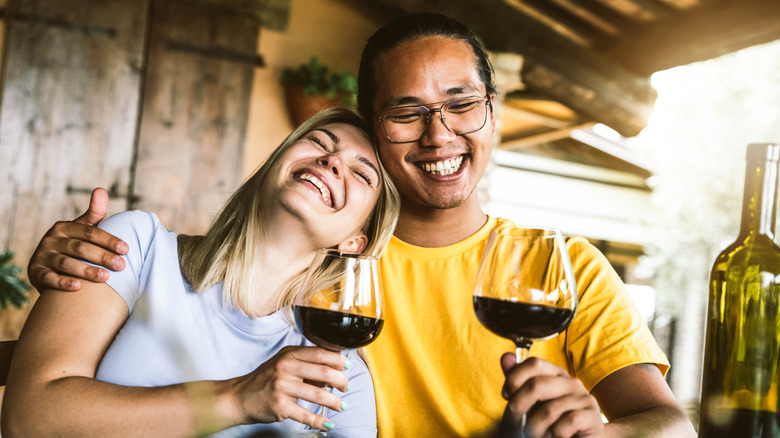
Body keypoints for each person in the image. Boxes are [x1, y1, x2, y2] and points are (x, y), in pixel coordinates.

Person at [24, 13, 697, 438]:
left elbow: (670, 425)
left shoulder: (562, 266)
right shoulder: (326, 278)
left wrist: (602, 435)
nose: (439, 134)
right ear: (378, 127)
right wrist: (73, 259)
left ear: (492, 112)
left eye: (461, 104)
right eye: (406, 112)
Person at [3, 108, 400, 438]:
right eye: (319, 142)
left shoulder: (339, 377)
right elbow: (27, 418)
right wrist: (237, 399)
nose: (332, 161)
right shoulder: (135, 246)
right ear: (275, 163)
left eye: (361, 174)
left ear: (354, 242)